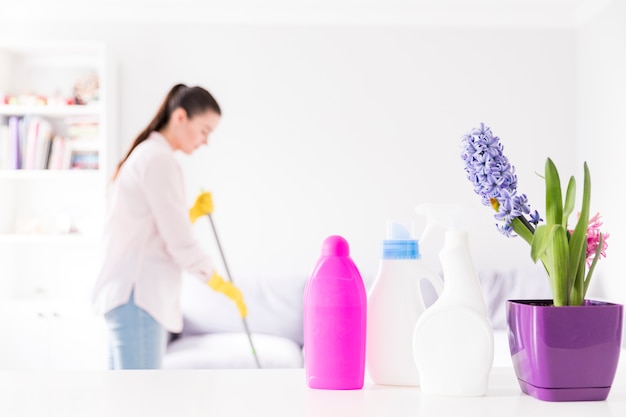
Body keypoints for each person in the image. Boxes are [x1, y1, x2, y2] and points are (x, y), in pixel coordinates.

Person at [92, 83, 247, 370]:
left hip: (127, 298)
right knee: (140, 405)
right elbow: (179, 243)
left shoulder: (147, 154)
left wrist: (192, 214)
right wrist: (218, 282)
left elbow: (153, 229)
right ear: (180, 117)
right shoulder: (158, 160)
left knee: (123, 403)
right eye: (204, 131)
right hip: (139, 299)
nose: (205, 142)